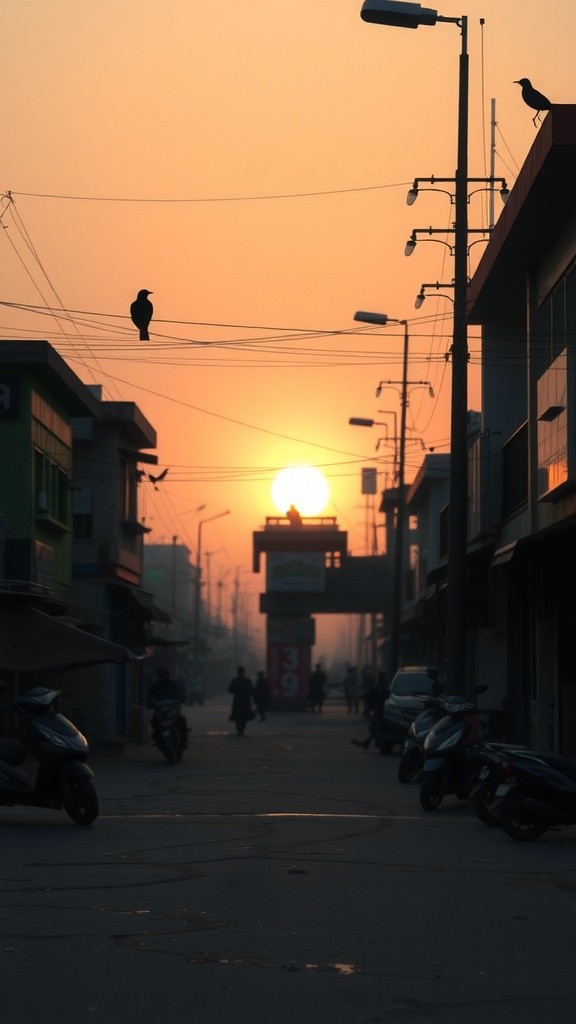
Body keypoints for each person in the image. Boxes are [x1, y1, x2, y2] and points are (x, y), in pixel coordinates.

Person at [147, 667, 188, 748]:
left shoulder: (173, 684)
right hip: (160, 711)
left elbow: (181, 694)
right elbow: (150, 697)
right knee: (154, 721)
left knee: (182, 720)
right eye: (162, 676)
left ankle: (183, 740)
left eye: (164, 675)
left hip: (172, 709)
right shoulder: (156, 685)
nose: (163, 677)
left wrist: (182, 699)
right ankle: (157, 737)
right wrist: (149, 703)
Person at [351, 670, 389, 750]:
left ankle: (372, 743)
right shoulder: (377, 688)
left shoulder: (387, 689)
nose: (383, 679)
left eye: (383, 678)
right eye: (382, 678)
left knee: (375, 729)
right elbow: (368, 696)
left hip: (386, 712)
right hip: (378, 712)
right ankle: (368, 743)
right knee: (373, 729)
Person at [228, 666, 255, 736]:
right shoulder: (247, 680)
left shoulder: (235, 680)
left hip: (237, 700)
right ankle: (242, 729)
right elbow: (251, 690)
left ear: (238, 672)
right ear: (243, 672)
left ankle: (239, 730)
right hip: (245, 700)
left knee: (238, 715)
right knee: (244, 715)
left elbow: (230, 690)